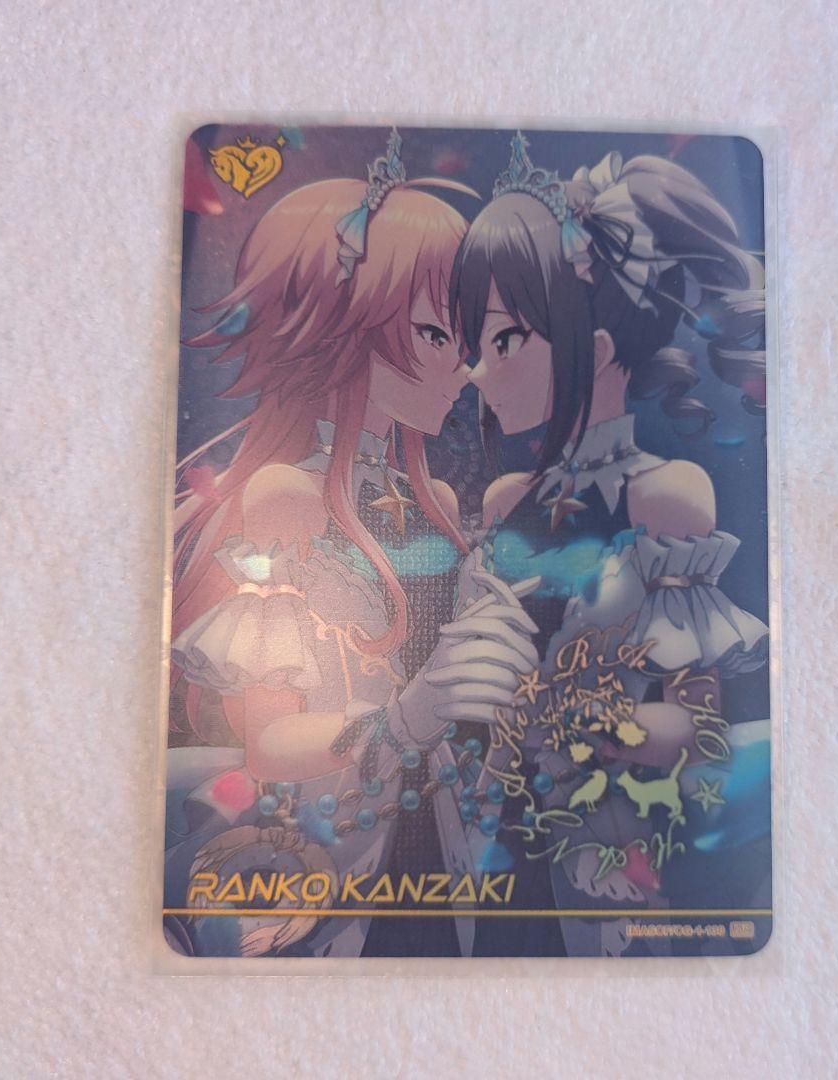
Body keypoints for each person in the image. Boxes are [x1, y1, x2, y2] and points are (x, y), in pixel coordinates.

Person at [164, 130, 535, 958]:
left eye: (466, 338)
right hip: (328, 858)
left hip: (443, 845)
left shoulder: (435, 503)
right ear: (344, 330)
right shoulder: (284, 499)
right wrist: (406, 718)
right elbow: (268, 743)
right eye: (435, 335)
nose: (465, 367)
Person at [444, 133, 771, 956]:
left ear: (592, 352)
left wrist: (588, 723)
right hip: (483, 846)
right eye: (473, 345)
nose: (475, 371)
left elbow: (700, 725)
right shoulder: (505, 499)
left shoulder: (664, 497)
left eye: (504, 341)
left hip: (603, 850)